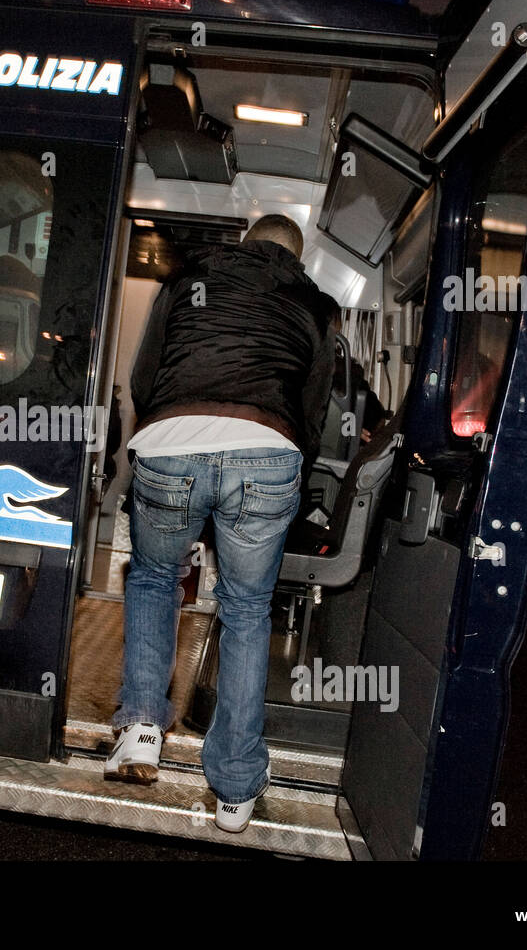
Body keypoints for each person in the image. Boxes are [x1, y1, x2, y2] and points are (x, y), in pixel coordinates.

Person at [106, 214, 335, 832]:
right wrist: (287, 471)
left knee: (154, 577)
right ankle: (234, 790)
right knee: (246, 610)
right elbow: (314, 406)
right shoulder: (315, 304)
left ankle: (141, 729)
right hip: (268, 449)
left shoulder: (186, 280)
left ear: (244, 241)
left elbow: (143, 377)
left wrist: (155, 436)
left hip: (172, 440)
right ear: (299, 256)